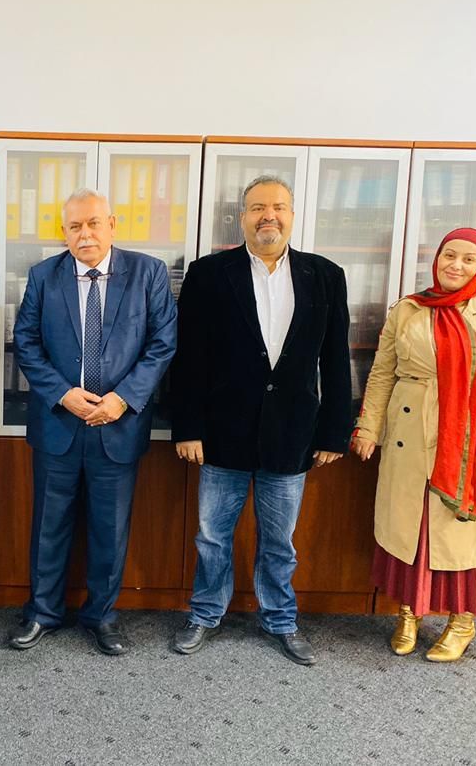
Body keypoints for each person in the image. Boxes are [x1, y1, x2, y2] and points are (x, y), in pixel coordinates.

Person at [169, 175, 352, 666]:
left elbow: (336, 361)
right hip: (220, 433)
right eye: (257, 208)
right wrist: (187, 427)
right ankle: (205, 614)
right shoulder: (208, 273)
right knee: (212, 537)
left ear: (292, 214)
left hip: (292, 434)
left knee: (279, 542)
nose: (268, 215)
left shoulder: (325, 275)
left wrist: (334, 432)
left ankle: (280, 619)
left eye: (278, 207)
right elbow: (189, 358)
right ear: (242, 217)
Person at [9, 188, 177, 656]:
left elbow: (163, 342)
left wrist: (123, 399)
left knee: (110, 529)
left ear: (112, 225)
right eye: (75, 226)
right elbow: (25, 342)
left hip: (118, 426)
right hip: (59, 424)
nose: (85, 234)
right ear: (64, 232)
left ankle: (102, 615)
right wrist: (62, 393)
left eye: (93, 223)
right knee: (49, 526)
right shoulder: (44, 276)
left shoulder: (148, 273)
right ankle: (42, 612)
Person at [350, 227, 476, 662]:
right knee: (411, 529)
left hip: (471, 445)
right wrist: (368, 428)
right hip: (409, 437)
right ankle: (408, 613)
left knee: (461, 536)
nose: (456, 265)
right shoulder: (408, 310)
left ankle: (461, 622)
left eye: (468, 259)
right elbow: (382, 373)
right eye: (450, 255)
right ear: (436, 259)